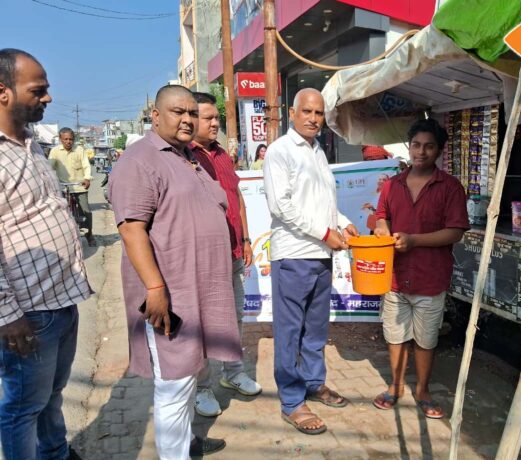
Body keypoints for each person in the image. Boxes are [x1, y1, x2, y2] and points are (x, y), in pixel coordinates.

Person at [109, 85, 241, 459]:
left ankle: (186, 442)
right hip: (170, 294)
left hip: (199, 290)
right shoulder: (139, 160)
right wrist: (155, 287)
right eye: (177, 112)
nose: (187, 119)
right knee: (174, 381)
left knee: (190, 373)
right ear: (155, 116)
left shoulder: (189, 157)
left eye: (192, 113)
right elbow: (131, 229)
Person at [0, 48, 91, 460]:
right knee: (23, 407)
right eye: (38, 90)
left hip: (60, 300)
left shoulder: (30, 142)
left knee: (52, 394)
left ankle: (54, 452)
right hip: (27, 311)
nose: (48, 97)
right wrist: (7, 314)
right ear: (3, 92)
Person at [263, 88, 359, 435]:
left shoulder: (318, 151)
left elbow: (320, 202)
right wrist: (325, 232)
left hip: (321, 255)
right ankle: (292, 401)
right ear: (292, 113)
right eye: (307, 111)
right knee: (290, 332)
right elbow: (281, 206)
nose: (313, 119)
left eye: (319, 113)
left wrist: (342, 221)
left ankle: (314, 383)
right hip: (295, 255)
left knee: (316, 328)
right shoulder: (280, 151)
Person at [372, 119, 469, 419]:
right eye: (416, 145)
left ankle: (423, 390)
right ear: (409, 146)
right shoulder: (392, 185)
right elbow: (381, 215)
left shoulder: (450, 187)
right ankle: (396, 385)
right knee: (395, 335)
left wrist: (414, 240)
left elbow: (455, 232)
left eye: (429, 146)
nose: (421, 152)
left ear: (439, 151)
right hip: (395, 275)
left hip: (430, 276)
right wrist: (382, 228)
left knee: (426, 339)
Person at [190, 92, 261, 417]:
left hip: (233, 251)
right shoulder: (184, 158)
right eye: (208, 118)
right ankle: (202, 387)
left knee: (234, 317)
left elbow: (237, 198)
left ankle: (233, 373)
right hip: (205, 258)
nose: (215, 123)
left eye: (216, 117)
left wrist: (245, 238)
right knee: (205, 324)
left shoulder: (221, 155)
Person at [49, 127, 96, 246]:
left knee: (86, 211)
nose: (68, 141)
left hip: (79, 186)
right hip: (62, 187)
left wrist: (87, 178)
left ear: (74, 139)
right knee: (57, 212)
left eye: (70, 139)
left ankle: (89, 234)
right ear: (60, 139)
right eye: (65, 139)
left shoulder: (79, 150)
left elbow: (86, 165)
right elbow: (49, 167)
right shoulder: (55, 151)